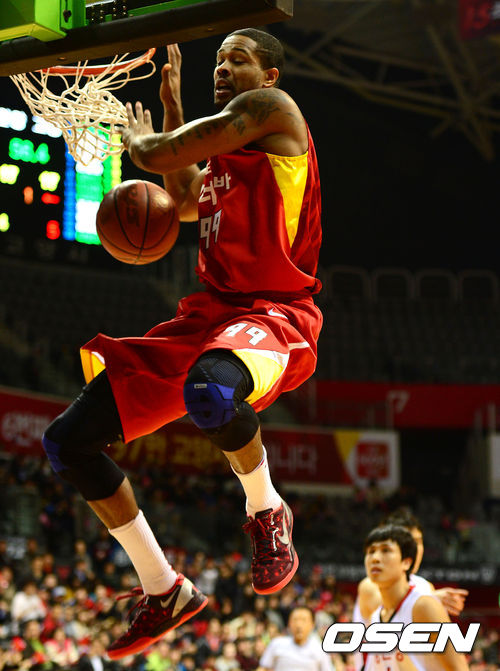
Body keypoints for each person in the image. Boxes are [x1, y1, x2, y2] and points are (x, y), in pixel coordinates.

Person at [42, 28, 322, 661]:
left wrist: (145, 141)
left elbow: (158, 156)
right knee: (68, 442)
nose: (222, 68)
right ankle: (162, 588)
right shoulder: (227, 154)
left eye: (238, 59)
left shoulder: (274, 113)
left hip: (275, 313)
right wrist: (172, 112)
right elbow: (187, 196)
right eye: (218, 59)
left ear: (270, 76)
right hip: (207, 317)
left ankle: (267, 510)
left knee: (211, 392)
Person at [352, 508, 468, 670]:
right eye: (372, 551)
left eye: (418, 541)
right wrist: (431, 597)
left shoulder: (424, 590)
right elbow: (394, 609)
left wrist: (429, 600)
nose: (415, 548)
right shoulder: (371, 585)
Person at [257, 606, 334, 671]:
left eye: (304, 620)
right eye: (295, 620)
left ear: (312, 625)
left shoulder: (320, 649)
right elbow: (263, 668)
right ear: (289, 623)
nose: (299, 625)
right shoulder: (276, 644)